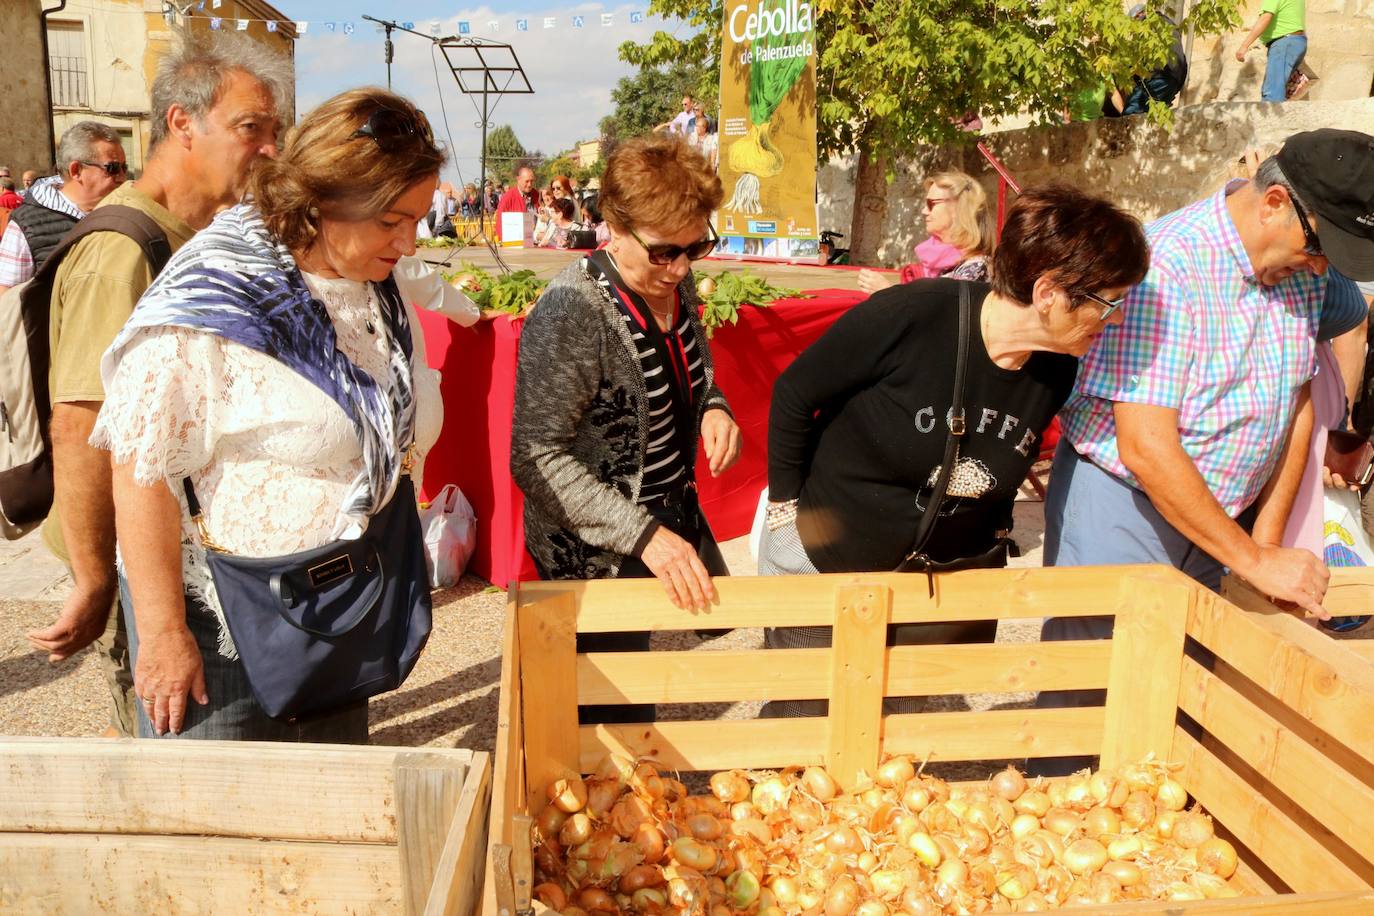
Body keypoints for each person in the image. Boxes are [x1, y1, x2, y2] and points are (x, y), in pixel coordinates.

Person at [91, 87, 445, 741]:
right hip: (220, 636)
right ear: (320, 203)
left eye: (418, 218)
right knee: (217, 832)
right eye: (391, 219)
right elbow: (139, 465)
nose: (409, 240)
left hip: (339, 618)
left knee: (326, 829)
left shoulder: (376, 286)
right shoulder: (216, 295)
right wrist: (165, 632)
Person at [758, 185, 1149, 718]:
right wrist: (784, 511)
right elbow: (795, 394)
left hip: (929, 599)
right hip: (824, 566)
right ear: (1050, 292)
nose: (1118, 318)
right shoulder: (912, 316)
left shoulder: (1056, 370)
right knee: (801, 724)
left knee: (890, 740)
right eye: (1110, 302)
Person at [1040, 130, 1374, 732]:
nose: (1322, 266)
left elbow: (1295, 399)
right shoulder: (1164, 264)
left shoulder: (1306, 274)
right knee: (1098, 698)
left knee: (1184, 699)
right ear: (1274, 201)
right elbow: (1145, 445)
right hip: (1127, 505)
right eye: (1321, 247)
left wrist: (1266, 539)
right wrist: (1252, 558)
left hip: (1223, 518)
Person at [22, 31, 289, 740]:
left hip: (194, 556)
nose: (269, 148)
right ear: (182, 123)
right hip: (136, 563)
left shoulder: (194, 237)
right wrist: (94, 578)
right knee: (165, 752)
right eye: (249, 128)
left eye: (275, 130)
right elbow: (80, 424)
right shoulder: (122, 252)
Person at [511, 134, 742, 719]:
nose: (684, 267)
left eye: (697, 247)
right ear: (613, 227)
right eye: (666, 251)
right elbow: (536, 456)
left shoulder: (672, 276)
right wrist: (642, 535)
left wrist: (715, 403)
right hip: (593, 551)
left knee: (636, 690)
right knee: (601, 719)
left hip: (660, 517)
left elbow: (697, 365)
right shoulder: (573, 312)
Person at [0, 122, 127, 293]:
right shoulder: (26, 224)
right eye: (113, 168)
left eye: (124, 168)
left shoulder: (126, 213)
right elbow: (7, 299)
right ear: (76, 171)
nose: (122, 177)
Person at [857, 171, 995, 294]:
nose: (924, 211)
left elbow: (937, 317)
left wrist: (887, 292)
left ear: (959, 208)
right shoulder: (935, 262)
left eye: (931, 204)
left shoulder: (976, 269)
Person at [1235, 0, 1307, 102]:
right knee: (1279, 88)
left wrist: (1244, 46)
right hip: (1295, 41)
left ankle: (1271, 117)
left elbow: (1265, 18)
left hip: (1284, 43)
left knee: (1272, 94)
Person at [495, 166, 537, 241]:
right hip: (515, 244)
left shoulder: (536, 194)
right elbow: (500, 224)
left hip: (535, 242)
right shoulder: (508, 197)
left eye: (532, 181)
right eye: (527, 181)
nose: (530, 184)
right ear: (518, 179)